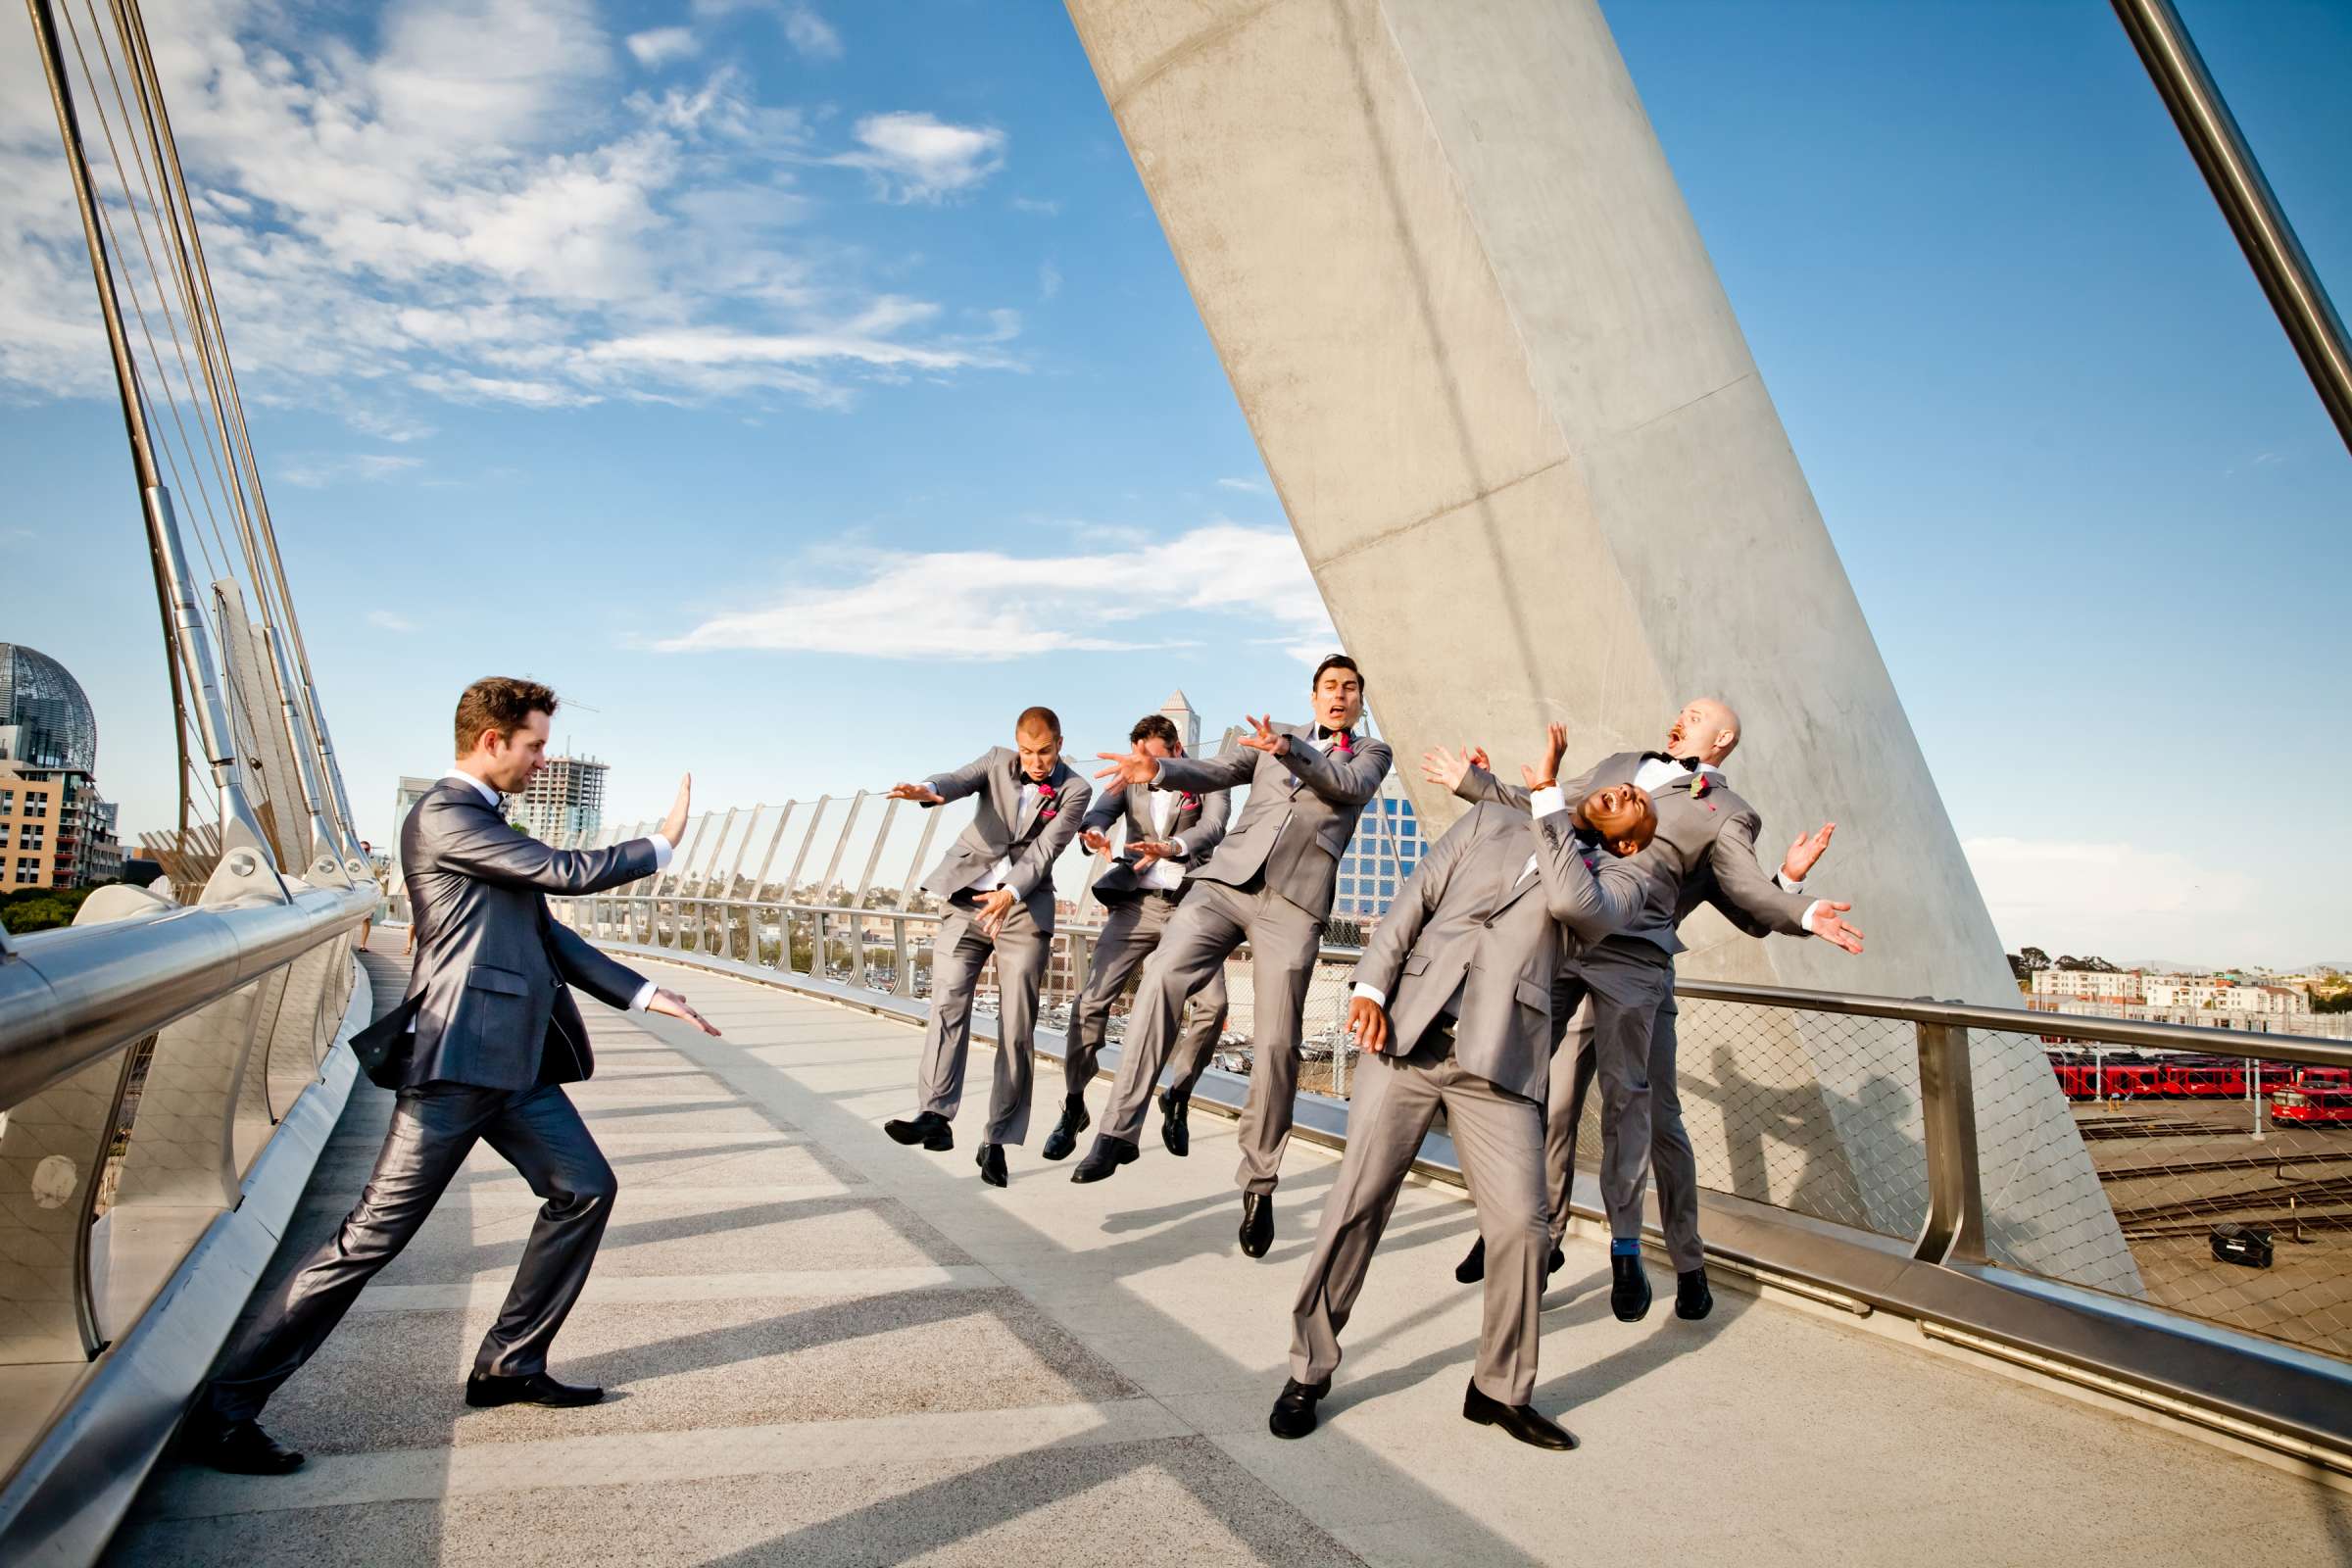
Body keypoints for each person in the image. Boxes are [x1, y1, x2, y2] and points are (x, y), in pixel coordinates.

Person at [181, 677, 717, 1475]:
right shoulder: (447, 814)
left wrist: (646, 994)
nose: (542, 761)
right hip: (458, 1060)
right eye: (534, 745)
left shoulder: (488, 826)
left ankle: (510, 1363)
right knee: (370, 1238)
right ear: (492, 739)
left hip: (516, 1063)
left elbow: (546, 937)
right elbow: (569, 873)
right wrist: (664, 841)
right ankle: (224, 1411)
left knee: (585, 1188)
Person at [1428, 698, 1863, 1321]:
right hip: (1565, 945)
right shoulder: (1620, 765)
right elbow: (1550, 807)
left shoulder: (1730, 814)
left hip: (1637, 965)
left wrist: (1792, 893)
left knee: (1654, 1118)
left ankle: (1680, 1258)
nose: (1679, 717)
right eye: (1681, 709)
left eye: (1695, 713)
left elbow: (1747, 902)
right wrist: (1474, 783)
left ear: (1723, 738)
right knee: (1541, 1099)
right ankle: (1532, 1237)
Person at [1273, 759, 1658, 1449]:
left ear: (1632, 841)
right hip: (1407, 1035)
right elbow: (1413, 900)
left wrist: (1548, 806)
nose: (1627, 789)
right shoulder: (1489, 818)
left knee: (1523, 1227)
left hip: (1501, 1060)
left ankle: (1499, 1389)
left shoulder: (1626, 879)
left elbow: (1573, 905)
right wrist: (1370, 988)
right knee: (1355, 1206)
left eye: (1637, 802)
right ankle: (1309, 1369)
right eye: (1624, 782)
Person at [1071, 655, 1393, 1263]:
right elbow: (1215, 769)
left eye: (1350, 689)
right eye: (1329, 687)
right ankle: (1118, 1130)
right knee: (1163, 975)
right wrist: (1159, 768)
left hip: (1293, 906)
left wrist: (1291, 750)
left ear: (1358, 700)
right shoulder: (1275, 739)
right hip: (1225, 883)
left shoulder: (1372, 753)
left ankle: (1259, 1183)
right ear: (1314, 693)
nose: (1339, 696)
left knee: (1275, 1045)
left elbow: (1343, 786)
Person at [882, 707, 1092, 1188]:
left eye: (1044, 752)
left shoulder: (1076, 790)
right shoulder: (996, 761)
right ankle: (934, 1114)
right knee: (947, 1003)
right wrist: (928, 792)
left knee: (1016, 1028)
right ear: (1016, 744)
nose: (1035, 762)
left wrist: (1010, 893)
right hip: (964, 901)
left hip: (1020, 907)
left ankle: (996, 1139)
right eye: (1027, 751)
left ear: (1059, 743)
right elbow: (954, 781)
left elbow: (1045, 850)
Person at [1044, 712, 1232, 1161]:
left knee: (1214, 1006)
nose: (1143, 766)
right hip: (1135, 906)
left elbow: (1214, 827)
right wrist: (1092, 834)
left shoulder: (1210, 780)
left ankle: (1178, 1095)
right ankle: (1074, 1103)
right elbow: (1101, 814)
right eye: (1139, 757)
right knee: (1089, 1003)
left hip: (1192, 909)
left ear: (1177, 752)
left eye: (1154, 759)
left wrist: (1173, 847)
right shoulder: (1130, 777)